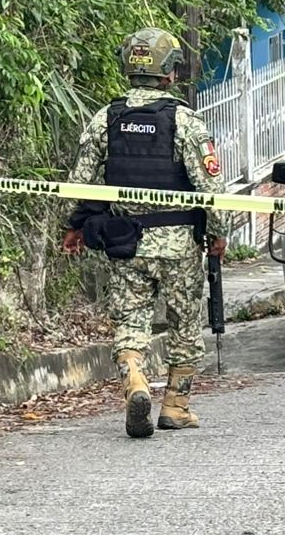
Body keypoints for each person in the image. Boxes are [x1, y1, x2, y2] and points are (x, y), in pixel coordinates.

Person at [62, 27, 228, 438]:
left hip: (126, 243)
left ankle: (135, 378)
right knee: (184, 325)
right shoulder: (186, 121)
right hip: (179, 246)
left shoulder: (106, 118)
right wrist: (217, 233)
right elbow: (211, 191)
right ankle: (175, 405)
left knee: (130, 321)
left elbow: (79, 182)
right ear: (170, 72)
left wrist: (74, 225)